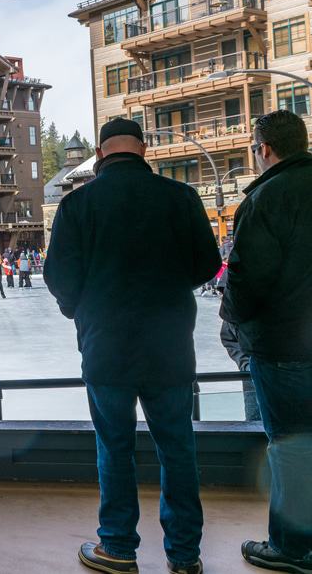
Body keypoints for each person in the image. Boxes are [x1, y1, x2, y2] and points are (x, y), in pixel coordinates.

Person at [44, 118, 220, 574]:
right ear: (143, 150)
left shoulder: (78, 204)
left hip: (105, 345)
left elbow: (58, 276)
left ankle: (118, 547)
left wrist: (82, 311)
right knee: (178, 448)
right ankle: (184, 555)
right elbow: (207, 263)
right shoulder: (179, 197)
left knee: (114, 446)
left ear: (100, 154)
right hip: (169, 346)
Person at [219, 110, 312, 573]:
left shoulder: (264, 200)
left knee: (292, 447)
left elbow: (247, 283)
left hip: (284, 350)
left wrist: (234, 320)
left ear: (265, 149)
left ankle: (292, 547)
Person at [219, 321, 261, 421]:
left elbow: (228, 337)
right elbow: (228, 337)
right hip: (252, 375)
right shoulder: (237, 307)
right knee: (254, 424)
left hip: (252, 374)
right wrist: (247, 365)